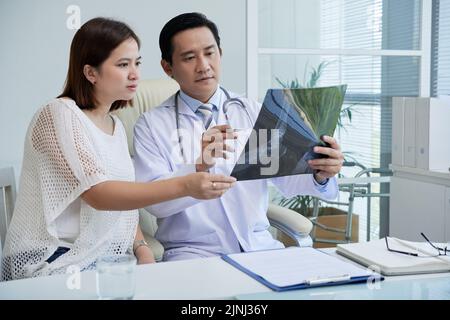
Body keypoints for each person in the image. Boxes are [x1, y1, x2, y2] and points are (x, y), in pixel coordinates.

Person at [1, 17, 235, 281]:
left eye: (137, 63)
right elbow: (100, 195)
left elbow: (124, 204)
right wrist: (186, 185)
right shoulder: (60, 114)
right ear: (91, 73)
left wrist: (142, 248)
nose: (135, 74)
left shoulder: (115, 126)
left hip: (100, 257)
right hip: (54, 258)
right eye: (123, 65)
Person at [133, 12, 344, 262]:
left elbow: (288, 181)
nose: (204, 66)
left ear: (220, 53)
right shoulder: (151, 125)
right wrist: (197, 167)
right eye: (189, 58)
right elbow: (153, 202)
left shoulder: (253, 111)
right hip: (194, 253)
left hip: (259, 248)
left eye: (210, 53)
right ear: (168, 67)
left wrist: (320, 173)